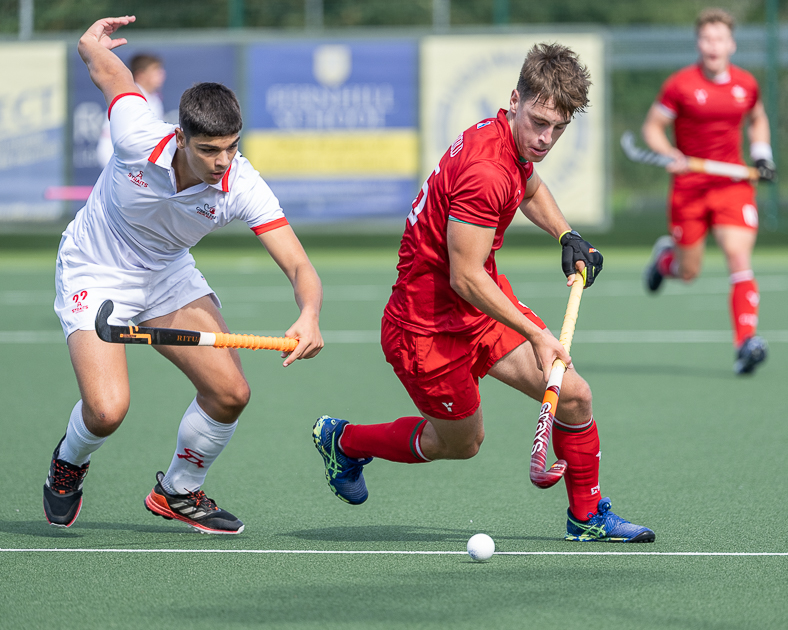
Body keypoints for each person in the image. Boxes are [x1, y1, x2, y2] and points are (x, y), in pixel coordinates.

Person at [313, 43, 655, 543]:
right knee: (461, 443)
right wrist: (537, 334)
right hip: (427, 328)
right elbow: (466, 277)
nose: (546, 138)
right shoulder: (485, 171)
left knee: (574, 397)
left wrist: (567, 234)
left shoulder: (506, 140)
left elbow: (530, 188)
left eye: (558, 128)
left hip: (479, 310)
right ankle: (344, 441)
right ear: (515, 100)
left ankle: (586, 518)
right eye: (539, 122)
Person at [43, 16, 324, 535]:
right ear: (180, 137)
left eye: (232, 146)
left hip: (167, 273)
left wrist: (309, 314)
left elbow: (298, 264)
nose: (222, 161)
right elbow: (112, 74)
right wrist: (89, 45)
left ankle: (178, 490)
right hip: (95, 267)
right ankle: (69, 460)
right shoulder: (136, 137)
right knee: (106, 411)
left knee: (230, 394)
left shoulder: (242, 184)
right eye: (209, 149)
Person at [641, 7, 776, 375]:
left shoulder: (746, 85)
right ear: (698, 44)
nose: (713, 45)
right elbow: (652, 127)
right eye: (706, 38)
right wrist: (670, 153)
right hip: (689, 187)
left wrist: (762, 154)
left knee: (738, 256)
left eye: (720, 39)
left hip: (732, 185)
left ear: (732, 44)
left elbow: (758, 118)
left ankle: (746, 343)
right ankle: (664, 261)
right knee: (688, 272)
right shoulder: (680, 85)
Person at [96, 53, 166, 166]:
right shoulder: (127, 100)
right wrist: (121, 172)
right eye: (155, 70)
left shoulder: (155, 100)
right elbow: (106, 146)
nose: (162, 74)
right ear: (140, 75)